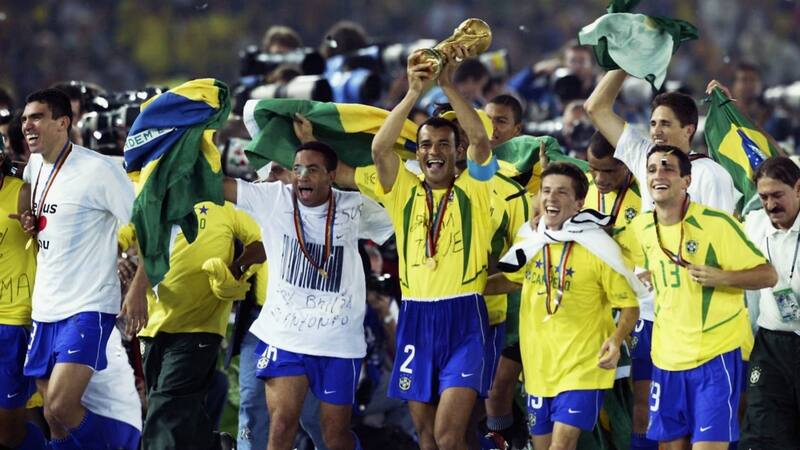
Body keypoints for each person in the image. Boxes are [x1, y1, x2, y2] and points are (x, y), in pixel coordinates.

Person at [221, 136, 393, 450]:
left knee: (334, 436)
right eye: (297, 168)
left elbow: (399, 205)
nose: (302, 175)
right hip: (285, 336)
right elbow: (222, 186)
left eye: (313, 169)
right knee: (282, 425)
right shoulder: (274, 198)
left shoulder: (354, 208)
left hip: (337, 342)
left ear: (332, 176)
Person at [371, 45, 497, 450]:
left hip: (464, 318)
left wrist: (446, 83)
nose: (433, 152)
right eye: (426, 145)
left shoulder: (474, 188)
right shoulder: (403, 189)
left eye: (444, 144)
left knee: (447, 435)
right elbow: (379, 149)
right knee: (427, 438)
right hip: (415, 319)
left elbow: (479, 137)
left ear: (457, 152)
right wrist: (412, 93)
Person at [616, 146, 777, 449]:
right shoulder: (642, 227)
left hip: (714, 358)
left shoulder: (716, 223)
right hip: (665, 360)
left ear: (686, 180)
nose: (658, 175)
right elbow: (612, 253)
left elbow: (768, 275)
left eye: (667, 169)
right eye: (651, 169)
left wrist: (723, 277)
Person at [485, 161, 641, 450]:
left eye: (561, 192)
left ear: (579, 202)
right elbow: (512, 279)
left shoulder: (599, 248)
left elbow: (630, 305)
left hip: (583, 367)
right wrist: (468, 287)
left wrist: (617, 340)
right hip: (538, 369)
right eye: (546, 191)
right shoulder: (530, 240)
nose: (550, 199)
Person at [16, 88, 134, 449]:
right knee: (53, 419)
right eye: (24, 119)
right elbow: (35, 197)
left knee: (61, 407)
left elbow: (147, 228)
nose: (26, 126)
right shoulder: (36, 165)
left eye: (36, 117)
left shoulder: (99, 171)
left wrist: (139, 284)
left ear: (62, 122)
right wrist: (29, 219)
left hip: (87, 307)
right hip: (45, 307)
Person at [122, 195, 265, 449]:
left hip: (201, 325)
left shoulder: (226, 204)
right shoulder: (153, 198)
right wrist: (119, 256)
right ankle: (213, 445)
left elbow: (261, 241)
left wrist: (236, 270)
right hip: (152, 324)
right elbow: (124, 234)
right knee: (174, 406)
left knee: (165, 405)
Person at [234, 161, 330, 450]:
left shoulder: (322, 207)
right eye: (268, 171)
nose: (273, 176)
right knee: (252, 402)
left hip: (310, 324)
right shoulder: (248, 206)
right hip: (260, 322)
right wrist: (240, 264)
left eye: (281, 169)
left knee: (315, 414)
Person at [582, 131, 655, 449]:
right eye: (593, 169)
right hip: (597, 308)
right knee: (599, 401)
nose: (599, 178)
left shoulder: (647, 195)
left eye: (609, 170)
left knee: (641, 398)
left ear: (628, 165)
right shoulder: (582, 189)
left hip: (641, 307)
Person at [584, 69, 741, 214]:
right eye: (653, 124)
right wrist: (623, 62)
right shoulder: (643, 156)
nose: (656, 131)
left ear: (689, 130)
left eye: (665, 124)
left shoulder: (711, 174)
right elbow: (596, 108)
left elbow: (720, 236)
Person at [740, 156, 800, 450]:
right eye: (763, 197)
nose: (770, 204)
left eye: (778, 195)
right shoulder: (753, 224)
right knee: (763, 431)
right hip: (771, 345)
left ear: (799, 189)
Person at [0, 144, 45, 449]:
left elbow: (43, 233)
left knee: (9, 430)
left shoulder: (21, 191)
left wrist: (33, 227)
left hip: (13, 318)